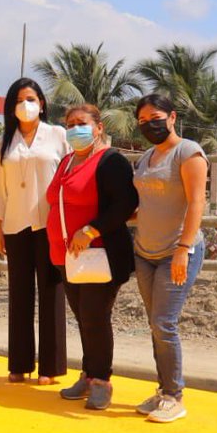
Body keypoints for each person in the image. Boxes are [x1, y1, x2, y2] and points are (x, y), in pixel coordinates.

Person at [47, 104, 138, 411]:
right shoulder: (67, 161)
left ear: (98, 127)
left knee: (95, 318)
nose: (75, 128)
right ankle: (88, 374)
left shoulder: (111, 161)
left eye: (81, 123)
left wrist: (90, 230)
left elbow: (125, 203)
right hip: (68, 256)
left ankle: (102, 380)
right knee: (84, 319)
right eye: (70, 124)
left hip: (99, 254)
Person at [0, 78, 69, 385]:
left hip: (50, 225)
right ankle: (19, 363)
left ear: (42, 103)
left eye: (31, 98)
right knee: (19, 294)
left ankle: (50, 366)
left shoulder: (57, 135)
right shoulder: (4, 142)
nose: (26, 105)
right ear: (11, 107)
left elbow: (70, 174)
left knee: (51, 291)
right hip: (15, 224)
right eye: (19, 100)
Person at [130, 93, 207, 423]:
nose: (151, 125)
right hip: (144, 251)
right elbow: (142, 203)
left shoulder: (188, 152)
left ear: (172, 117)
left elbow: (196, 203)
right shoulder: (147, 156)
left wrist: (183, 249)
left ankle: (175, 396)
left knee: (164, 322)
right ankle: (163, 391)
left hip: (176, 251)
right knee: (155, 323)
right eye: (143, 121)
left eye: (156, 117)